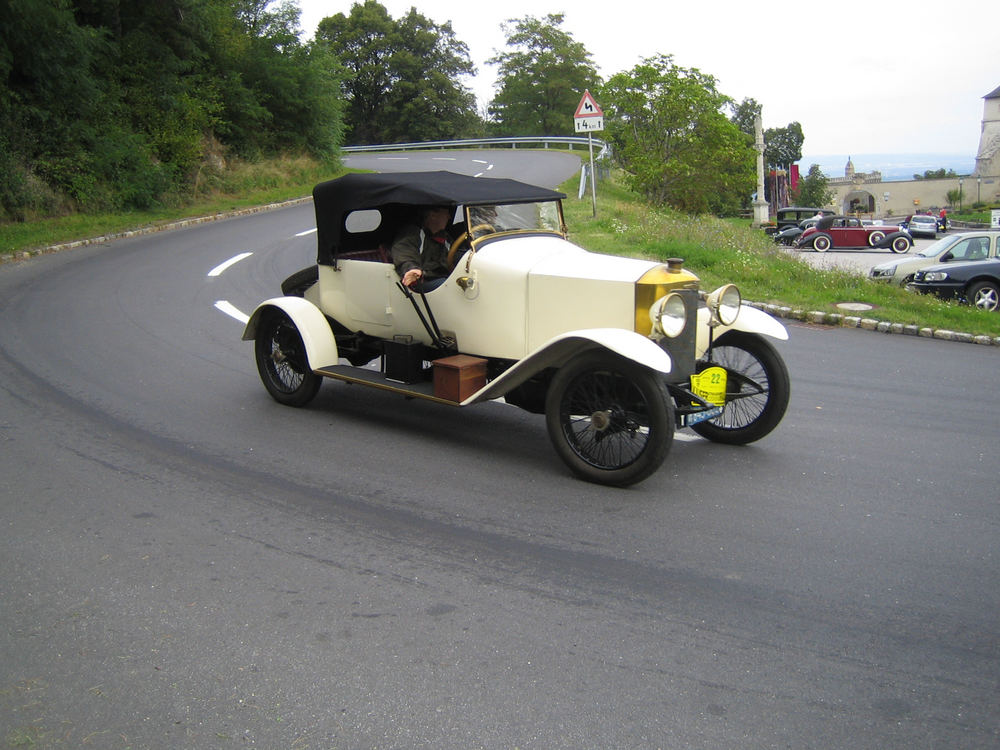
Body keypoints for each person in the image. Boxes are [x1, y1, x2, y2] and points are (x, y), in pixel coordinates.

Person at [391, 206, 453, 291]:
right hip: (422, 281)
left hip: (442, 277)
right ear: (433, 215)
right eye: (446, 213)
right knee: (451, 288)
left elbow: (456, 255)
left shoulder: (446, 238)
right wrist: (412, 269)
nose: (449, 217)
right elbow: (404, 252)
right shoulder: (413, 234)